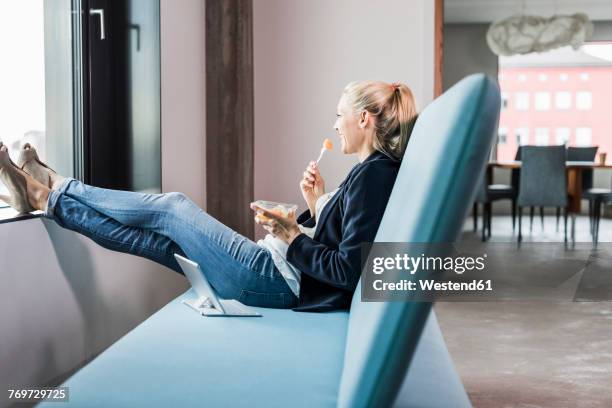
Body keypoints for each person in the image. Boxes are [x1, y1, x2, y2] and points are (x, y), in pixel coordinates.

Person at [0, 80, 418, 312]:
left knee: (171, 207)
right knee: (156, 241)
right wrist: (314, 205)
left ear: (363, 118)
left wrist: (291, 236)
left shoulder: (374, 176)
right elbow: (341, 242)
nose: (335, 123)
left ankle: (54, 185)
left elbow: (348, 270)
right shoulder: (369, 172)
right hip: (277, 273)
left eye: (340, 114)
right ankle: (45, 198)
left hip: (275, 278)